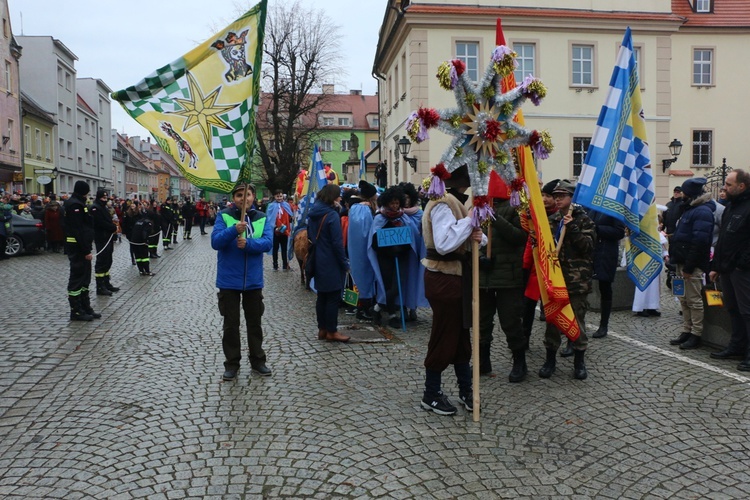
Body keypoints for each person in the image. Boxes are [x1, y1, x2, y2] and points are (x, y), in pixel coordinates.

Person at [420, 165, 485, 415]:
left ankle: (466, 389)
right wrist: (471, 222)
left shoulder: (455, 202)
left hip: (456, 277)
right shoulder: (443, 202)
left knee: (459, 337)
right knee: (444, 335)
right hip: (444, 277)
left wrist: (477, 234)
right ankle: (431, 392)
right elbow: (445, 243)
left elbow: (465, 238)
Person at [211, 184, 274, 381]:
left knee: (254, 323)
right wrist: (233, 230)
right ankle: (232, 364)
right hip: (229, 280)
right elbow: (216, 242)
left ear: (253, 196)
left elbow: (268, 242)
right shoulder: (224, 216)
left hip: (253, 281)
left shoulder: (261, 217)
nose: (243, 199)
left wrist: (249, 244)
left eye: (247, 195)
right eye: (239, 195)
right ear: (234, 198)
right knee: (231, 325)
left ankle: (258, 360)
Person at [539, 180, 595, 380]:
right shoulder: (552, 220)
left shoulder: (584, 220)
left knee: (577, 322)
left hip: (577, 281)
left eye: (562, 195)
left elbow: (588, 248)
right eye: (556, 196)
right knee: (552, 321)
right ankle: (550, 360)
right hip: (556, 281)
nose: (558, 199)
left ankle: (579, 362)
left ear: (572, 198)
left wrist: (573, 229)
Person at [477, 172, 527, 381]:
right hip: (484, 277)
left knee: (511, 322)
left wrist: (495, 219)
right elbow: (472, 238)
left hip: (508, 277)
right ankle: (483, 360)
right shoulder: (479, 208)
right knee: (482, 322)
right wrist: (480, 257)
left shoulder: (516, 207)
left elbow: (519, 237)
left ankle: (519, 362)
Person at [368, 186, 426, 327]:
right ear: (387, 203)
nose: (395, 206)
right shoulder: (380, 218)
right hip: (385, 257)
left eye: (397, 203)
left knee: (397, 286)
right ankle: (392, 315)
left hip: (401, 257)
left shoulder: (403, 217)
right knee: (388, 285)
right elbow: (374, 241)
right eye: (392, 203)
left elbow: (411, 237)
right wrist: (389, 249)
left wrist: (401, 248)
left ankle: (377, 309)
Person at [709, 170, 750, 370]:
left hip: (742, 270)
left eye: (729, 184)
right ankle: (736, 345)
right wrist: (717, 266)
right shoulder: (731, 207)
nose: (724, 187)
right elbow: (723, 240)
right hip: (727, 269)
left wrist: (742, 264)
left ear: (741, 186)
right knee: (733, 309)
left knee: (747, 311)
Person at [668, 177, 715, 350]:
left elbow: (699, 242)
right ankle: (686, 330)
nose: (682, 195)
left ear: (691, 194)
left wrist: (689, 267)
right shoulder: (690, 209)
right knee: (683, 299)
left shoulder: (702, 212)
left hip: (692, 265)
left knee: (694, 300)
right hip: (682, 261)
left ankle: (696, 333)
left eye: (684, 192)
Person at [307, 184, 351, 342]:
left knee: (322, 297)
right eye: (338, 195)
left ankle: (322, 329)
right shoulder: (331, 215)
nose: (340, 198)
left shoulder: (314, 213)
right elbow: (337, 244)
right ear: (332, 197)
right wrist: (345, 264)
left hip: (318, 258)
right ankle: (332, 331)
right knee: (333, 297)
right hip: (331, 260)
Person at [521, 179, 559, 348]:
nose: (544, 199)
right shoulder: (535, 214)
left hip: (555, 268)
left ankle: (559, 342)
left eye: (548, 196)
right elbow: (531, 240)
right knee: (528, 306)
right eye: (542, 195)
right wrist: (525, 265)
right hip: (535, 268)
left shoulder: (561, 217)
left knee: (555, 307)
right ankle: (525, 337)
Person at [63, 181, 100, 321]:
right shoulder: (75, 205)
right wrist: (86, 250)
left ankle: (85, 307)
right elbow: (78, 229)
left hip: (82, 246)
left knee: (85, 279)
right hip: (78, 248)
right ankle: (76, 311)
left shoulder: (79, 202)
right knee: (77, 280)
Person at [586, 208, 625, 339]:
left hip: (605, 253)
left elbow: (619, 232)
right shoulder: (589, 207)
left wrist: (597, 228)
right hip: (588, 251)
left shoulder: (613, 207)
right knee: (582, 288)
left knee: (605, 288)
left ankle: (603, 325)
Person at [348, 180, 379, 321]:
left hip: (354, 249)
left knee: (357, 276)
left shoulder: (354, 208)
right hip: (365, 250)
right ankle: (364, 308)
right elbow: (368, 232)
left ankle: (358, 305)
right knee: (366, 277)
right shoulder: (366, 210)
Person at [90, 188, 120, 296]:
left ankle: (107, 283)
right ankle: (100, 286)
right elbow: (100, 222)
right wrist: (112, 227)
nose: (105, 199)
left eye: (106, 197)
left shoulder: (104, 208)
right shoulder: (95, 208)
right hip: (101, 238)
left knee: (108, 261)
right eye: (103, 197)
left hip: (108, 238)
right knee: (101, 262)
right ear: (98, 198)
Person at [266, 189, 294, 271]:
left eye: (280, 196)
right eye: (277, 196)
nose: (279, 198)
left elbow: (289, 215)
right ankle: (275, 265)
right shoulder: (271, 206)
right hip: (275, 230)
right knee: (275, 248)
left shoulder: (286, 205)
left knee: (284, 248)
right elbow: (270, 217)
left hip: (284, 230)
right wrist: (275, 226)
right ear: (274, 197)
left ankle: (285, 265)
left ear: (283, 196)